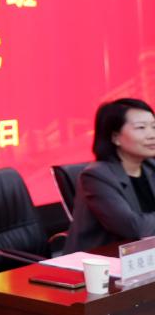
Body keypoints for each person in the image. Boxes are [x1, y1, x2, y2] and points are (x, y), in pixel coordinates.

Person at [65, 98, 155, 253]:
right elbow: (133, 228)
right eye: (141, 128)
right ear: (115, 137)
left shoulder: (150, 166)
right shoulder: (96, 176)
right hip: (100, 260)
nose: (152, 135)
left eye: (153, 126)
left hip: (142, 254)